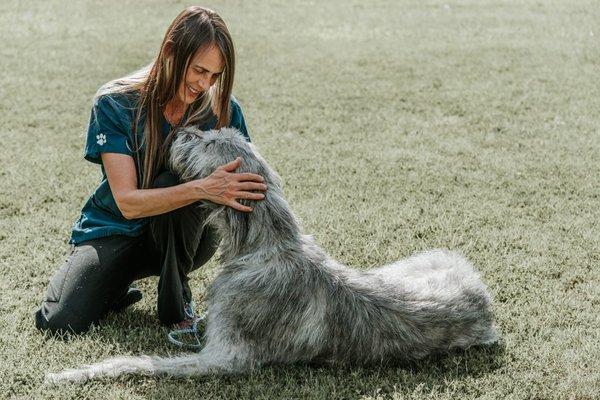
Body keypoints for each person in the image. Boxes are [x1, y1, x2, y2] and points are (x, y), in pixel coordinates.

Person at [34, 6, 267, 334]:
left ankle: (175, 299)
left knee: (175, 179)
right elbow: (127, 202)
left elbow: (248, 186)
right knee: (58, 322)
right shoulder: (113, 103)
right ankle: (112, 287)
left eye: (215, 75)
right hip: (116, 229)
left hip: (189, 236)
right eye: (199, 70)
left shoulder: (224, 110)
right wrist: (203, 188)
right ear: (171, 51)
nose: (205, 84)